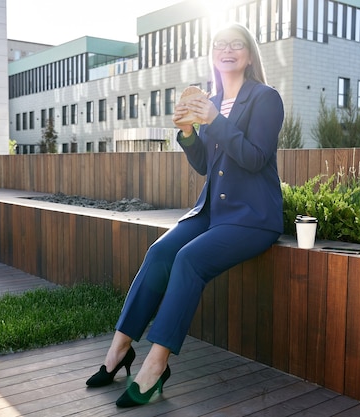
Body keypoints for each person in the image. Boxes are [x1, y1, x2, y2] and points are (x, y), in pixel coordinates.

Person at [85, 22, 285, 408]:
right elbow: (206, 165)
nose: (227, 50)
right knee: (160, 253)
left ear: (248, 53)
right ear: (212, 53)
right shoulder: (209, 99)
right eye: (220, 45)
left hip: (252, 217)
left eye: (236, 45)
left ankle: (156, 366)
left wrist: (215, 120)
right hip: (212, 211)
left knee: (188, 259)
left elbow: (255, 157)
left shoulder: (265, 98)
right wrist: (189, 134)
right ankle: (119, 350)